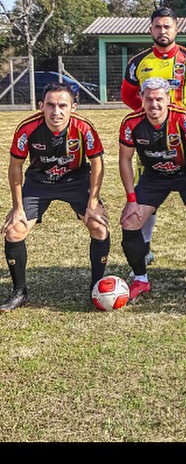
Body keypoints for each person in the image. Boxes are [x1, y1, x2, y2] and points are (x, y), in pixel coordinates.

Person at [121, 7, 186, 269]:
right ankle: (146, 246)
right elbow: (129, 94)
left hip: (185, 136)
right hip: (150, 136)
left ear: (176, 28)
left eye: (167, 26)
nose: (162, 31)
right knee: (148, 188)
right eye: (157, 27)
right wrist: (146, 115)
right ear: (150, 29)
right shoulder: (138, 62)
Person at [0, 83, 109, 311]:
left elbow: (97, 163)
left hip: (76, 181)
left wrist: (93, 202)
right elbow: (15, 167)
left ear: (73, 108)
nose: (55, 111)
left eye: (62, 105)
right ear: (41, 106)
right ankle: (20, 292)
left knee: (99, 226)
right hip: (39, 183)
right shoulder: (27, 128)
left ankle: (96, 287)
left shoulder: (84, 128)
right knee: (14, 231)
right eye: (50, 105)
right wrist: (17, 206)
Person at [118, 77, 186, 302]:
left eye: (159, 99)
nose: (154, 104)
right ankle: (141, 279)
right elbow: (125, 160)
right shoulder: (131, 122)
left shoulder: (184, 118)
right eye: (149, 99)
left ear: (168, 98)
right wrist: (131, 198)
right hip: (154, 177)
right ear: (141, 99)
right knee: (130, 221)